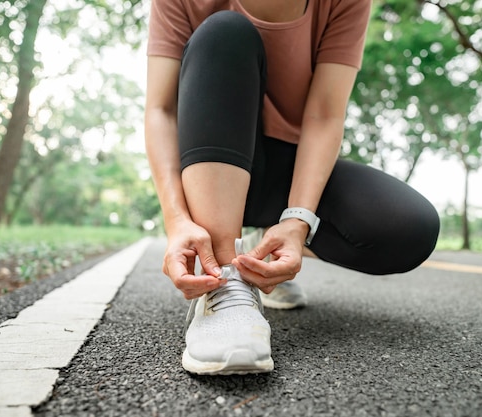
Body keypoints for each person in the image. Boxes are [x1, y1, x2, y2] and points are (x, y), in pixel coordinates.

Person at [144, 0, 440, 375]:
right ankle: (222, 281)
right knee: (225, 31)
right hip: (210, 166)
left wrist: (298, 220)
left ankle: (256, 253)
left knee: (406, 228)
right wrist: (177, 221)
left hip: (288, 171)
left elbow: (325, 113)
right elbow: (160, 110)